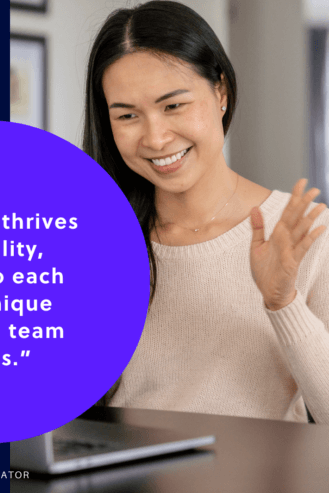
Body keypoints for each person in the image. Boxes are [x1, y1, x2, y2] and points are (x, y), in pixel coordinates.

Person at [83, 1, 329, 424]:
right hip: (120, 486)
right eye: (127, 115)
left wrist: (281, 302)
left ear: (220, 92)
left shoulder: (305, 231)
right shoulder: (94, 236)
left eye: (173, 105)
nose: (156, 138)